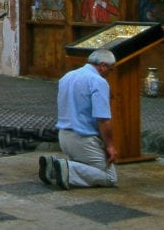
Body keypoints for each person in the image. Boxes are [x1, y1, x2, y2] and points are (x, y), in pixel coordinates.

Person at [40, 48, 118, 190]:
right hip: (83, 138)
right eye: (110, 70)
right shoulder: (98, 81)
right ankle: (68, 169)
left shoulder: (67, 76)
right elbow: (103, 120)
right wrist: (110, 145)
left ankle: (53, 167)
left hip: (63, 136)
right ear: (103, 66)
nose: (109, 74)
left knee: (86, 165)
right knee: (110, 176)